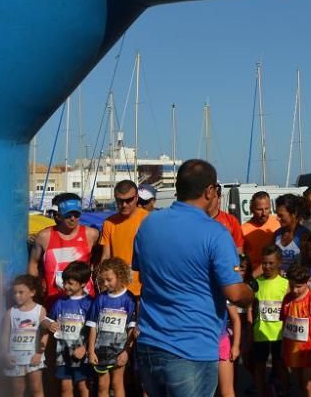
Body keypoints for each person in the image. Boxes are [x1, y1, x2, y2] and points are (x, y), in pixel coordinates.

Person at [131, 159, 253, 397]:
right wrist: (250, 291)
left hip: (149, 344)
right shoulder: (216, 232)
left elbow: (142, 271)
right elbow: (235, 293)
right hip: (192, 348)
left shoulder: (149, 224)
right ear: (209, 191)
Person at [29, 193, 99, 309]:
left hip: (85, 303)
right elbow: (33, 263)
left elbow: (99, 261)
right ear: (59, 215)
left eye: (76, 215)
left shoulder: (91, 234)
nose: (73, 218)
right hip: (53, 301)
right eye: (68, 215)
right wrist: (35, 289)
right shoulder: (44, 236)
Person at [86, 257, 137, 397]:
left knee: (117, 384)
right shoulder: (100, 299)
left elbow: (131, 329)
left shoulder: (129, 299)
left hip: (119, 351)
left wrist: (126, 351)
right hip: (100, 351)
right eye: (103, 280)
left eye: (109, 279)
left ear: (120, 276)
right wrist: (91, 350)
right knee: (102, 386)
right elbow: (93, 326)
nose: (105, 283)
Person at [42, 261, 94, 396]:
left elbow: (94, 329)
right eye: (64, 282)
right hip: (62, 355)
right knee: (65, 388)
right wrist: (49, 324)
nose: (65, 286)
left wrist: (86, 348)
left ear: (83, 283)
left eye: (70, 283)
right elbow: (46, 320)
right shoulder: (60, 302)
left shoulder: (89, 303)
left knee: (83, 387)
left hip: (82, 355)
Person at [282, 263, 311, 397]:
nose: (295, 290)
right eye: (292, 286)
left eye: (299, 287)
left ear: (308, 282)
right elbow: (284, 323)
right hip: (292, 349)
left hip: (308, 349)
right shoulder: (287, 299)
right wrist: (283, 347)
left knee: (309, 385)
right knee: (299, 384)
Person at [99, 180, 149, 298]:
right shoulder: (109, 223)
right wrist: (103, 283)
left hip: (142, 289)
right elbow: (105, 257)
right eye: (120, 201)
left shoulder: (148, 219)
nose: (124, 204)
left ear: (136, 198)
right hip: (116, 290)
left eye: (128, 200)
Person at [252, 244, 290, 397]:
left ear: (279, 262)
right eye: (264, 263)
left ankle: (287, 392)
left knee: (281, 366)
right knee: (259, 368)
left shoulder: (286, 284)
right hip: (260, 333)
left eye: (271, 263)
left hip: (279, 334)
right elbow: (251, 308)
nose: (267, 266)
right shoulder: (256, 283)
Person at [2, 274, 47, 397]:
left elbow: (44, 334)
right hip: (15, 359)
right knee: (17, 391)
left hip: (33, 358)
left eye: (21, 292)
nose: (17, 296)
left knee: (36, 389)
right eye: (15, 292)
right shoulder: (10, 313)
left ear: (32, 292)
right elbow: (5, 336)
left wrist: (39, 353)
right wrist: (5, 354)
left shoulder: (40, 310)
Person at [241, 191, 280, 271]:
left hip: (276, 274)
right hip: (254, 276)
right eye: (259, 209)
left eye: (267, 208)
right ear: (251, 209)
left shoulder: (278, 222)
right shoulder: (243, 230)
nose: (264, 213)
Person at [274, 194, 309, 274]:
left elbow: (306, 265)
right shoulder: (277, 234)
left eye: (281, 215)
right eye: (277, 214)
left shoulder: (304, 235)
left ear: (294, 214)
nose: (277, 218)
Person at [208, 182, 244, 253]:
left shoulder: (231, 221)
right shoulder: (195, 220)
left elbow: (238, 250)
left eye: (214, 197)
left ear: (219, 199)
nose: (210, 200)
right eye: (208, 197)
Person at [217, 301, 241, 397]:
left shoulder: (223, 292)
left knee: (226, 392)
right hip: (199, 345)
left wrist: (235, 346)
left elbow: (236, 319)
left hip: (221, 343)